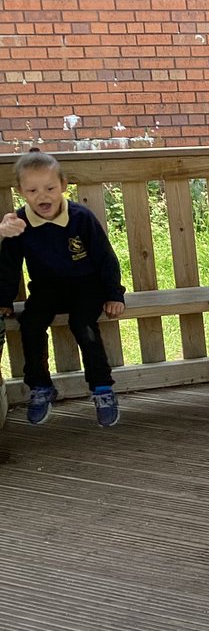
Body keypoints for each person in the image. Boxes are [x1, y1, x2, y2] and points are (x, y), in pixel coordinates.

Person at [0, 151, 125, 427]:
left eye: (50, 188)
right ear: (20, 191)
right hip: (46, 289)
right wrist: (4, 300)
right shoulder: (20, 224)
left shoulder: (80, 218)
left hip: (86, 286)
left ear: (63, 186)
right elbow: (9, 264)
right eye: (32, 190)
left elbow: (105, 257)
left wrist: (114, 294)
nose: (42, 196)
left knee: (84, 324)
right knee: (30, 323)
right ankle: (41, 387)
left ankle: (102, 389)